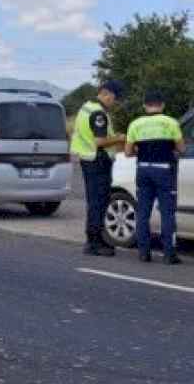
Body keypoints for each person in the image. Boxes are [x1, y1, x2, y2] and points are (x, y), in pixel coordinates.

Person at [125, 90, 186, 264]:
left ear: (145, 105)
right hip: (164, 171)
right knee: (167, 213)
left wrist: (141, 150)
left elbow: (128, 151)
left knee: (143, 213)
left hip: (143, 170)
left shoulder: (135, 124)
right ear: (162, 105)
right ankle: (169, 254)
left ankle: (144, 253)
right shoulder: (170, 123)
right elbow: (182, 149)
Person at [71, 80, 127, 256]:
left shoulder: (87, 107)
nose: (115, 103)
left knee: (95, 201)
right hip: (97, 161)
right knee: (98, 202)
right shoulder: (98, 113)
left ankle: (95, 239)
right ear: (106, 93)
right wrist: (120, 138)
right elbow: (100, 141)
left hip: (89, 160)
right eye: (115, 99)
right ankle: (94, 242)